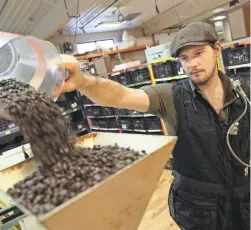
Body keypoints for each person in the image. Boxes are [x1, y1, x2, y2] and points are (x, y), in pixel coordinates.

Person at [61, 22, 250, 230]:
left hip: (243, 204)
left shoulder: (243, 96)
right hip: (200, 211)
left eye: (198, 53)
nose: (192, 64)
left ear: (216, 50)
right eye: (184, 58)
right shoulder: (170, 97)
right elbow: (121, 95)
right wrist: (82, 81)